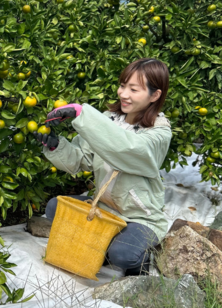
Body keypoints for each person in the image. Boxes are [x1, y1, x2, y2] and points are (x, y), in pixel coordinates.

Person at [34, 58, 171, 276]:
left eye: (133, 89)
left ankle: (136, 260)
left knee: (124, 255)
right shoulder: (110, 120)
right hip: (104, 208)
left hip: (138, 217)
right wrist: (55, 147)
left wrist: (83, 115)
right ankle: (103, 248)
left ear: (155, 95)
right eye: (123, 85)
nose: (123, 94)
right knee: (54, 207)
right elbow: (80, 160)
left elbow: (127, 150)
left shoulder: (159, 133)